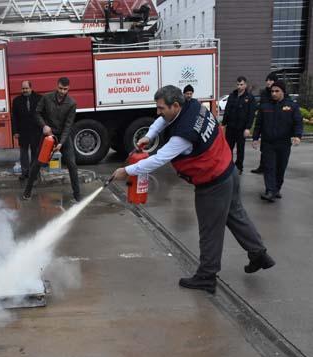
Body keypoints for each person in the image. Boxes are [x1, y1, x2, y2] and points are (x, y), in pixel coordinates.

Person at [111, 85, 275, 294]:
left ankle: (207, 277)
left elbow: (159, 159)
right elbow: (163, 120)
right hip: (228, 171)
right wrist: (150, 135)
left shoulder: (184, 135)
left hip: (213, 182)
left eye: (161, 108)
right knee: (236, 215)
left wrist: (127, 170)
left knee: (210, 231)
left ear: (175, 105)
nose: (158, 112)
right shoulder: (193, 106)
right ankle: (259, 254)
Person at [22, 77, 81, 202]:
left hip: (63, 137)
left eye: (65, 89)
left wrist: (61, 143)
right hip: (48, 135)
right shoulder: (46, 97)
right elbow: (37, 113)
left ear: (68, 88)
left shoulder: (72, 103)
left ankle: (77, 196)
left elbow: (68, 125)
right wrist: (44, 125)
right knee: (37, 163)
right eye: (60, 88)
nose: (62, 91)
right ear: (57, 86)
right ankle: (27, 192)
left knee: (72, 164)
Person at [252, 80, 302, 202]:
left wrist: (297, 136)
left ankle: (276, 189)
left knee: (280, 168)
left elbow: (298, 122)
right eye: (272, 91)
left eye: (276, 91)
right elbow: (258, 124)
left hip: (283, 144)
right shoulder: (265, 106)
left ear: (283, 92)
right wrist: (255, 138)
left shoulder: (291, 106)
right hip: (268, 143)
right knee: (269, 167)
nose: (273, 93)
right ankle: (269, 190)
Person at [222, 76, 256, 174]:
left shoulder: (250, 98)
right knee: (228, 148)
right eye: (238, 84)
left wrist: (248, 128)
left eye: (241, 84)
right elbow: (227, 110)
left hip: (242, 128)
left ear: (245, 85)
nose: (239, 86)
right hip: (231, 127)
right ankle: (229, 166)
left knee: (240, 149)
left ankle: (239, 167)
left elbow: (251, 114)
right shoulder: (232, 96)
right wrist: (224, 124)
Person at [11, 81, 42, 180]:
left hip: (36, 131)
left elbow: (43, 114)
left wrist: (44, 127)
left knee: (35, 153)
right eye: (23, 88)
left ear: (31, 88)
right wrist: (15, 131)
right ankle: (25, 173)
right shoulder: (16, 101)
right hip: (23, 132)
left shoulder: (39, 98)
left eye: (26, 88)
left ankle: (34, 173)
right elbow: (14, 117)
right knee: (23, 153)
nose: (24, 90)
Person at [251, 72, 278, 174]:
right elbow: (261, 107)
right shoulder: (264, 93)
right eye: (267, 80)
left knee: (274, 150)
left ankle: (271, 168)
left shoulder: (278, 92)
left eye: (270, 80)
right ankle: (262, 167)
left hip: (275, 124)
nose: (268, 82)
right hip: (264, 122)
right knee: (264, 148)